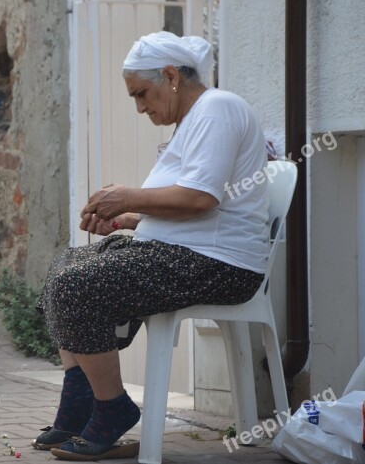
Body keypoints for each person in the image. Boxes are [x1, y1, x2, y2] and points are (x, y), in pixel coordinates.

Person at [34, 31, 269, 461]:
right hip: (181, 253)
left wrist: (127, 197)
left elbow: (200, 199)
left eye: (142, 94)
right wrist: (127, 219)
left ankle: (111, 409)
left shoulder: (217, 109)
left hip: (218, 264)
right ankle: (78, 405)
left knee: (77, 287)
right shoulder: (194, 119)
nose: (141, 107)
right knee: (62, 270)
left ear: (170, 76)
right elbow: (189, 206)